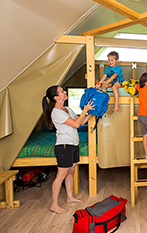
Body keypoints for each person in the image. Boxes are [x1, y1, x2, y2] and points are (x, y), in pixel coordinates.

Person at [42, 85, 95, 214]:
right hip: (64, 146)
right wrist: (85, 111)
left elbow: (80, 121)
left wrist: (91, 113)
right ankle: (54, 204)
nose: (65, 92)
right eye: (62, 91)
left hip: (73, 144)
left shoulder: (67, 109)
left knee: (71, 172)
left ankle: (69, 197)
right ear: (55, 97)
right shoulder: (57, 112)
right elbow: (76, 124)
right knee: (61, 175)